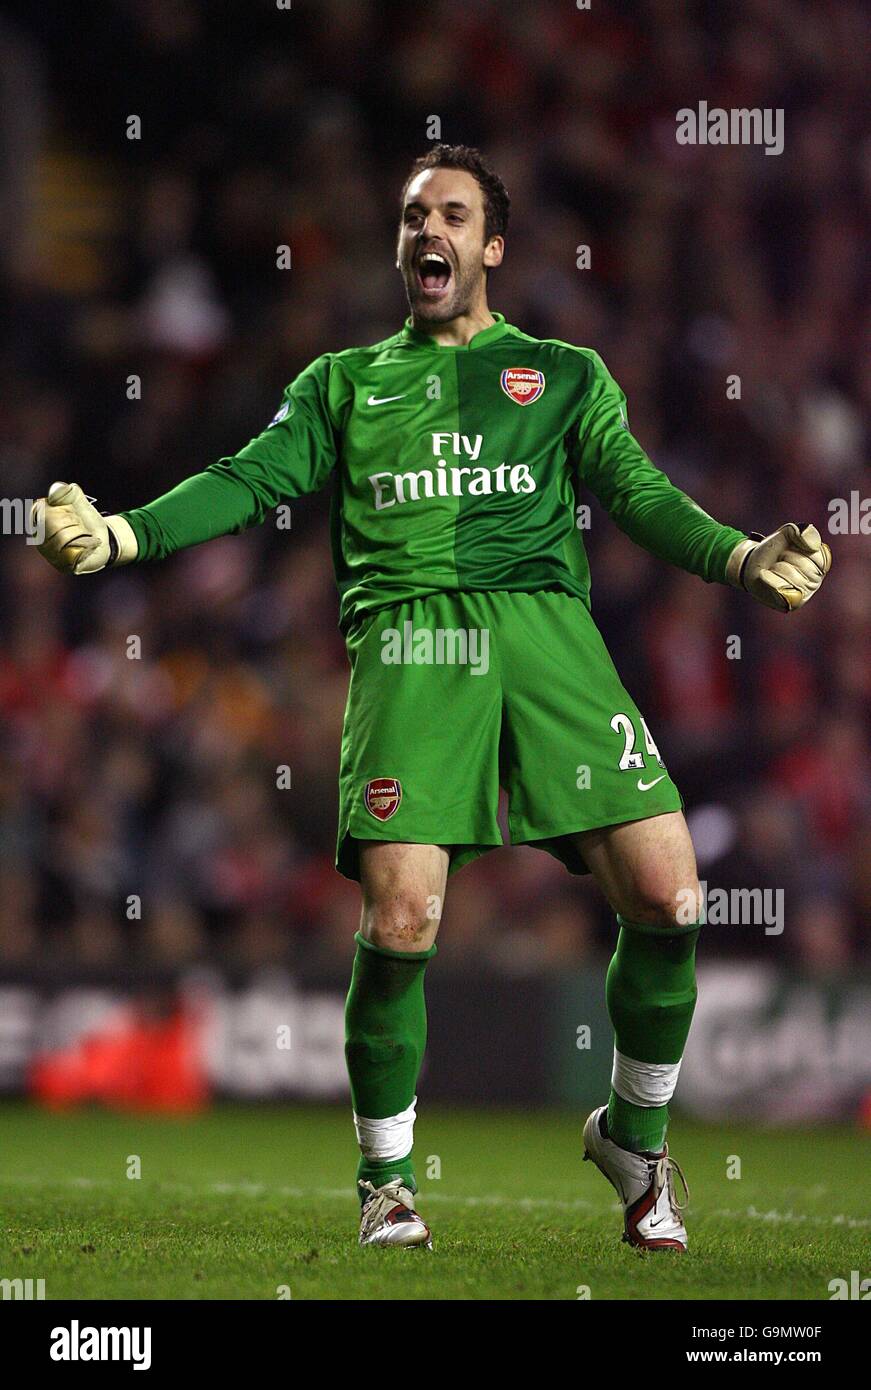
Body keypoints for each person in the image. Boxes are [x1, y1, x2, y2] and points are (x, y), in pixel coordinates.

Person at [32, 144, 831, 1253]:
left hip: (547, 638)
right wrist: (124, 532)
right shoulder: (343, 384)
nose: (427, 233)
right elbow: (247, 478)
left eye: (452, 214)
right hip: (411, 642)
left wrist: (739, 560)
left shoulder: (562, 374)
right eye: (413, 216)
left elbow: (637, 493)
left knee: (670, 897)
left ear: (491, 247)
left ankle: (635, 1139)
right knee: (403, 916)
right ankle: (389, 1180)